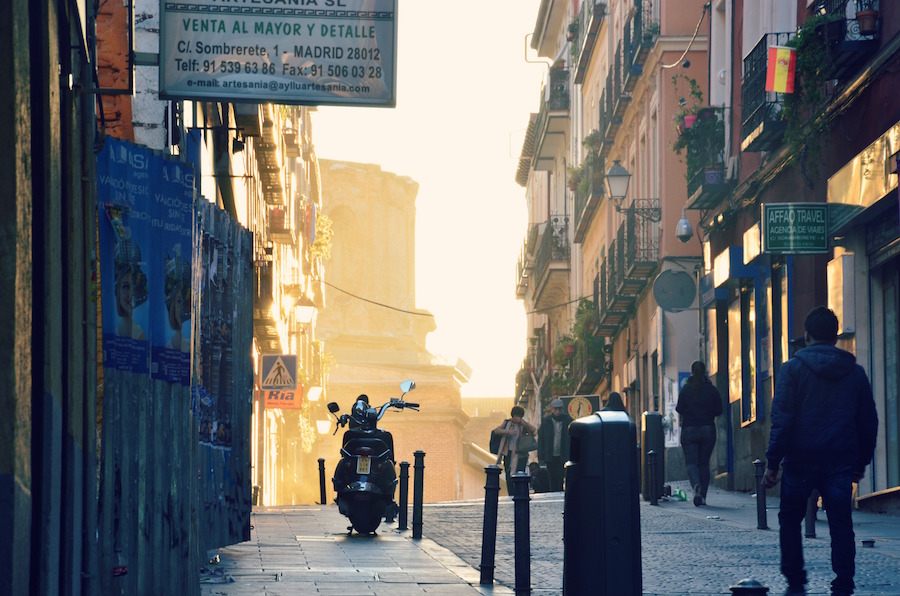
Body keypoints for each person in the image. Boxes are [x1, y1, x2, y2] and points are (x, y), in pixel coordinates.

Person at [762, 306, 878, 596]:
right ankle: (843, 582)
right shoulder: (855, 372)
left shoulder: (792, 370)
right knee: (841, 520)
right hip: (840, 459)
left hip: (801, 458)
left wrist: (773, 463)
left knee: (790, 518)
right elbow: (868, 421)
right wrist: (861, 461)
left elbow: (783, 419)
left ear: (806, 335)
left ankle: (796, 581)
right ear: (836, 336)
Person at [676, 360, 723, 506]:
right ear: (705, 372)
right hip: (707, 430)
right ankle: (702, 496)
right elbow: (719, 410)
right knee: (704, 464)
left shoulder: (685, 389)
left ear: (692, 372)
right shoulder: (711, 390)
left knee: (691, 463)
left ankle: (695, 485)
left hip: (689, 429)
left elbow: (679, 408)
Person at [493, 406, 537, 495]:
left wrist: (524, 423)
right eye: (516, 416)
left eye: (520, 416)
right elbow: (496, 431)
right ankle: (511, 493)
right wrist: (508, 431)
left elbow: (533, 430)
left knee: (520, 474)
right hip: (508, 453)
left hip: (521, 454)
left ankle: (519, 493)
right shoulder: (507, 423)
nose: (518, 418)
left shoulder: (523, 425)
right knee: (509, 475)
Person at [538, 398, 572, 492]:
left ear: (563, 409)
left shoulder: (568, 421)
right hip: (550, 454)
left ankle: (559, 491)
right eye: (555, 409)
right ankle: (553, 491)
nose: (557, 411)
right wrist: (541, 456)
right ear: (552, 409)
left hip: (563, 454)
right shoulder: (546, 422)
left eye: (559, 409)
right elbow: (541, 439)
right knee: (551, 476)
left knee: (560, 475)